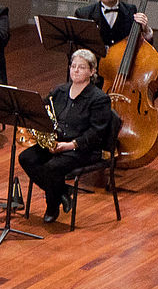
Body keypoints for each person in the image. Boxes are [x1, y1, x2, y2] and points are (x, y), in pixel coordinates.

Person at [18, 49, 115, 224]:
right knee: (26, 158)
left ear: (92, 71)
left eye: (82, 67)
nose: (75, 70)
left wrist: (70, 145)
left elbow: (96, 133)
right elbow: (43, 111)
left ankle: (52, 205)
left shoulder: (99, 99)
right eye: (73, 66)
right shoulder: (60, 91)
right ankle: (62, 192)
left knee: (52, 167)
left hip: (83, 148)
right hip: (57, 142)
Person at [73, 0, 152, 48]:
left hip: (121, 60)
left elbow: (143, 44)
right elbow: (75, 47)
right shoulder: (83, 13)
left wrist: (145, 30)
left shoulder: (131, 11)